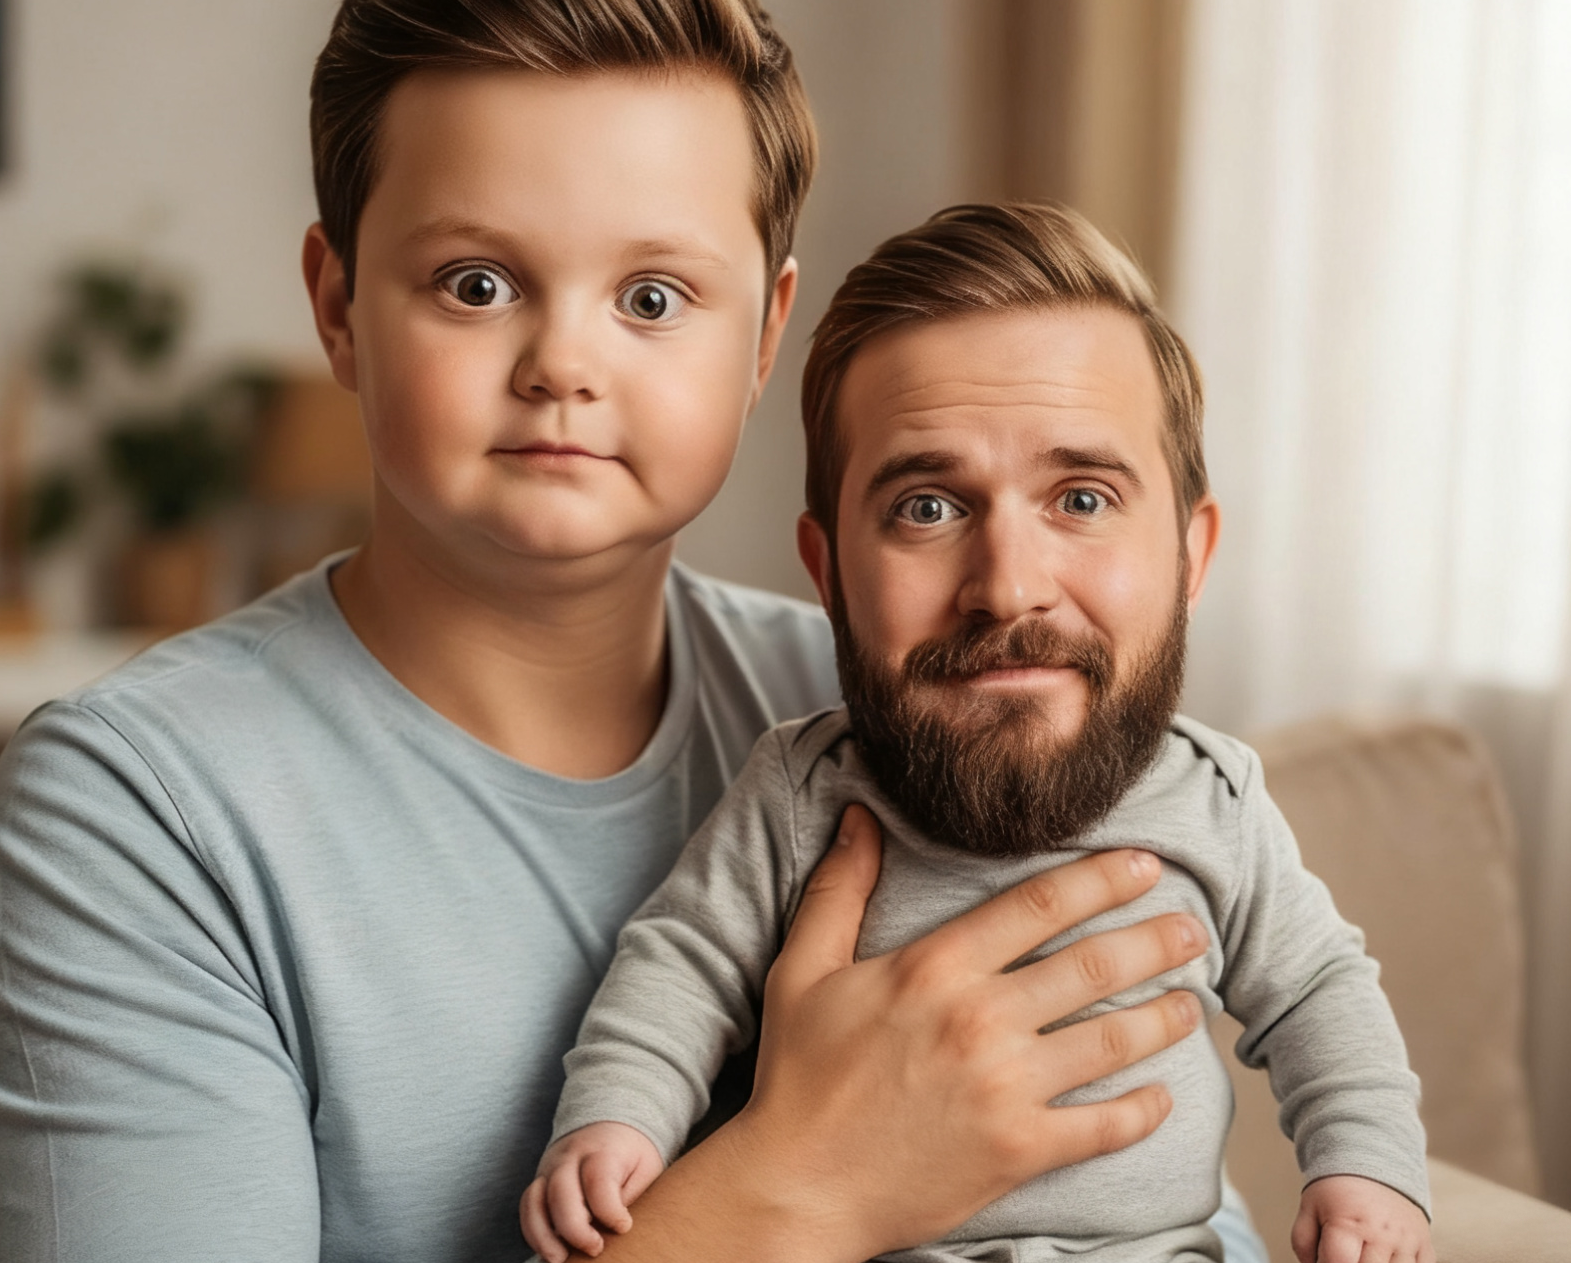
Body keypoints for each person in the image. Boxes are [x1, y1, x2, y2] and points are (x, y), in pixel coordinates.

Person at [0, 0, 1265, 1263]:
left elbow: (1169, 1212)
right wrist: (801, 1188)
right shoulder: (137, 813)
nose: (562, 366)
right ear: (337, 305)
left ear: (764, 336)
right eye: (474, 284)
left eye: (652, 299)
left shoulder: (893, 704)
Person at [525, 204, 1435, 1263]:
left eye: (1082, 499)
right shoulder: (801, 792)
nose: (1007, 588)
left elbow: (1321, 992)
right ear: (829, 574)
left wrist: (1369, 1170)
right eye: (926, 508)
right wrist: (617, 1122)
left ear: (1191, 557)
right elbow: (682, 966)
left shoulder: (1215, 800)